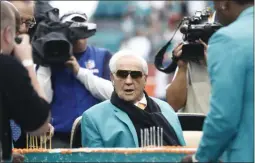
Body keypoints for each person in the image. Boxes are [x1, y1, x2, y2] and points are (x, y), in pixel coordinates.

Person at [181, 0, 254, 162]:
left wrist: (199, 158)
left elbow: (224, 118)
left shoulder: (227, 40)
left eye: (215, 6)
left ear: (224, 4)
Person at [37, 11, 114, 148]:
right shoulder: (52, 58)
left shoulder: (103, 56)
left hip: (96, 135)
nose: (78, 34)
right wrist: (46, 60)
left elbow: (112, 94)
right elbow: (42, 100)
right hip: (59, 137)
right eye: (72, 29)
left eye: (82, 27)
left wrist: (79, 72)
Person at [81, 50, 186, 148]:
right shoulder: (93, 118)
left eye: (135, 75)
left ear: (145, 79)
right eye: (122, 74)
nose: (128, 81)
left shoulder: (166, 109)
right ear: (112, 78)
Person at [0, 1, 51, 161]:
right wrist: (27, 62)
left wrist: (5, 148)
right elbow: (39, 124)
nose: (21, 31)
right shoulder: (8, 66)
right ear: (8, 32)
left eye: (28, 22)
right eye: (17, 22)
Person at [166, 40, 209, 114]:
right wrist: (182, 67)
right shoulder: (186, 63)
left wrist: (213, 63)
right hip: (192, 124)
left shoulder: (227, 60)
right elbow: (174, 105)